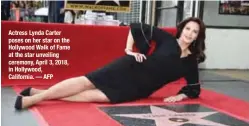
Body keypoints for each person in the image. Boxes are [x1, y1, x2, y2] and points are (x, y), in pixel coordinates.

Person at [14, 17, 206, 110]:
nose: (189, 33)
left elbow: (193, 88)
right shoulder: (167, 39)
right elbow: (136, 27)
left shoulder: (190, 61)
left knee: (92, 96)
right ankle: (34, 100)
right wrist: (129, 50)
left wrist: (179, 97)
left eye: (194, 31)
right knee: (87, 81)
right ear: (181, 29)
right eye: (188, 28)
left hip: (139, 89)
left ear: (198, 36)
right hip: (130, 67)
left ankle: (41, 93)